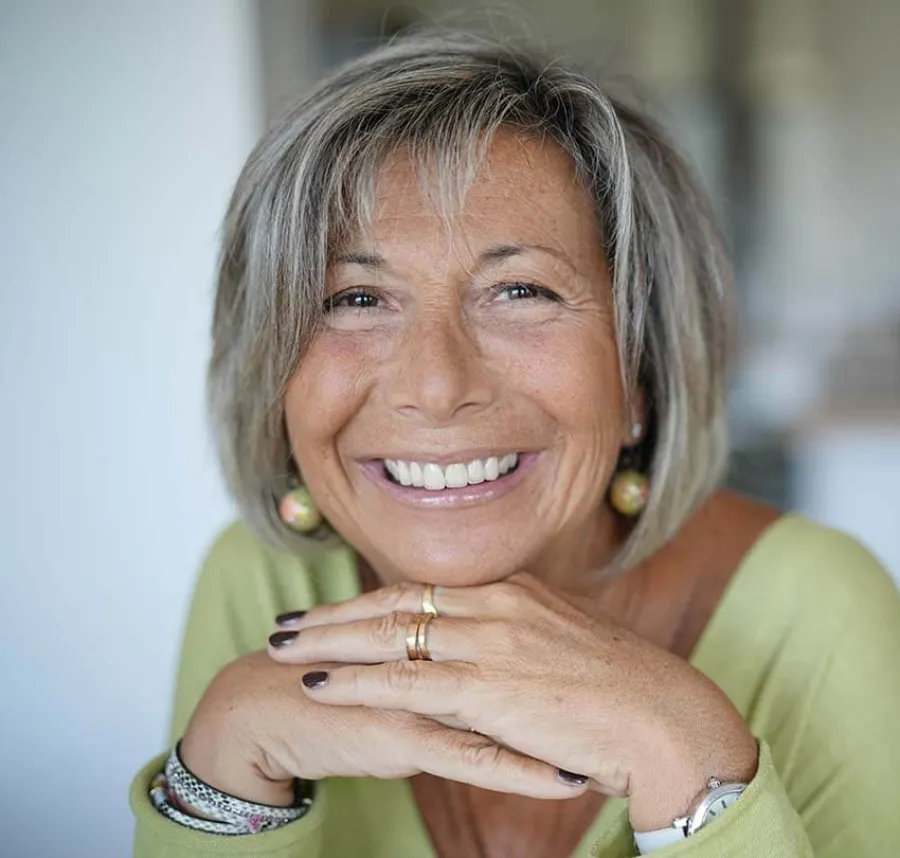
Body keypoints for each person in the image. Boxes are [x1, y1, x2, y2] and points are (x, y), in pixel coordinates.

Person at [130, 29, 900, 858]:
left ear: (639, 366)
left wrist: (684, 762)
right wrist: (219, 775)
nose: (435, 384)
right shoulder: (260, 583)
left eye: (519, 290)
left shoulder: (818, 610)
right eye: (355, 298)